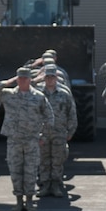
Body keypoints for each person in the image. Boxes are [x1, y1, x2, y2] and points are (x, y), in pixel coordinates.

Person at [0, 66, 54, 211]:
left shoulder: (38, 96)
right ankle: (18, 202)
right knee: (15, 171)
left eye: (25, 78)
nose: (22, 81)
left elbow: (49, 117)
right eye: (20, 78)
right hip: (14, 140)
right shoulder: (8, 94)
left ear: (30, 79)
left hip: (31, 141)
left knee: (30, 171)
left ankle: (29, 202)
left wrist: (44, 136)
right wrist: (7, 82)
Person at [38, 64, 78, 197]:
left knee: (57, 159)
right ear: (44, 78)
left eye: (52, 77)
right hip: (42, 133)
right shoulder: (38, 94)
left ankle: (56, 184)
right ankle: (44, 184)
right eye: (47, 77)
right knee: (44, 159)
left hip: (59, 132)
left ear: (56, 78)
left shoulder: (64, 93)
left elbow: (71, 113)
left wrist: (71, 131)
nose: (50, 79)